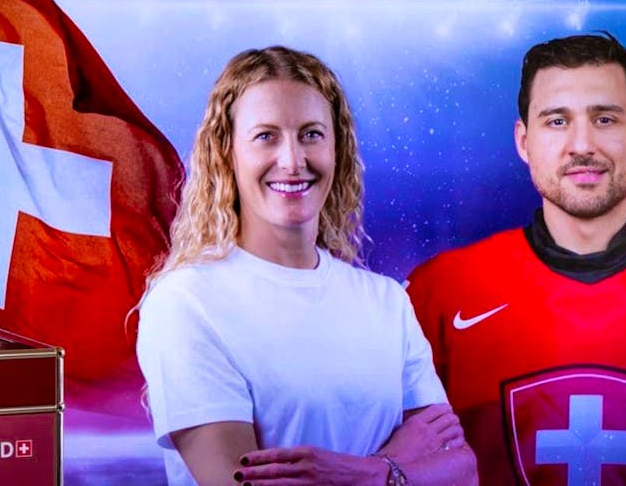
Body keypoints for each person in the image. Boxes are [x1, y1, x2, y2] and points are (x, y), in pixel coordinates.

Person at [136, 46, 478, 486]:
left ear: (337, 148)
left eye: (311, 134)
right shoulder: (186, 302)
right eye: (266, 136)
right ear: (227, 153)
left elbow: (463, 470)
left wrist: (370, 473)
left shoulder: (387, 302)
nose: (293, 161)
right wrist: (401, 468)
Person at [407, 32, 626, 484]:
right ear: (523, 141)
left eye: (605, 119)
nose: (581, 145)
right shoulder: (440, 290)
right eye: (557, 121)